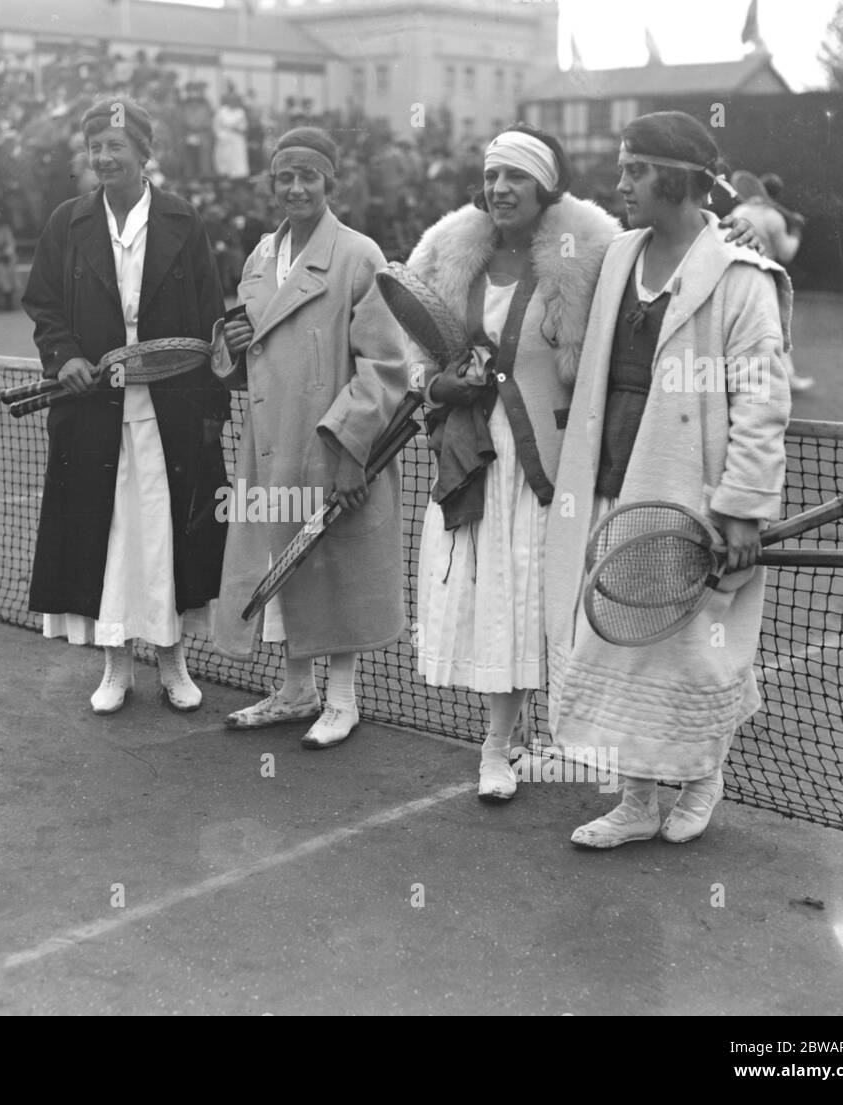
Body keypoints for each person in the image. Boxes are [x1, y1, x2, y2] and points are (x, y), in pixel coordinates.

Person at [544, 111, 792, 848]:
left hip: (691, 494)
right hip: (609, 483)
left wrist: (742, 510)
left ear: (678, 180)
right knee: (618, 639)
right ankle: (636, 800)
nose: (619, 184)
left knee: (690, 650)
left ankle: (702, 775)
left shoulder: (742, 279)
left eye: (634, 171)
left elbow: (763, 401)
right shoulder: (614, 253)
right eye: (621, 169)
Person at [404, 124, 622, 798]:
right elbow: (412, 348)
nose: (500, 188)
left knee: (531, 599)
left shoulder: (592, 252)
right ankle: (503, 742)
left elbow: (641, 303)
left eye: (516, 177)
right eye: (493, 175)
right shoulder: (442, 248)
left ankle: (509, 745)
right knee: (486, 599)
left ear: (545, 186)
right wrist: (438, 386)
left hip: (544, 467)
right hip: (470, 455)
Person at [22, 97, 228, 715]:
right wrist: (65, 358)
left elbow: (210, 320)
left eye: (116, 146)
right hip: (93, 414)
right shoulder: (67, 222)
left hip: (171, 412)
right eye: (95, 148)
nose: (104, 157)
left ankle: (172, 663)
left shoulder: (183, 221)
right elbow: (45, 305)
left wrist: (211, 410)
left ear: (144, 152)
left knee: (162, 534)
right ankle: (116, 666)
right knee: (109, 534)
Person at [213, 127, 408, 749]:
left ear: (332, 185)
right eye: (285, 178)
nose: (296, 188)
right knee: (282, 563)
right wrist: (232, 344)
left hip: (332, 445)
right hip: (269, 442)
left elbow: (384, 367)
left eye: (309, 177)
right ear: (271, 185)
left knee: (337, 567)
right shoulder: (257, 258)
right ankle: (297, 692)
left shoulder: (360, 254)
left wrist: (352, 451)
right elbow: (253, 349)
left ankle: (343, 701)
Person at [732, 169, 813, 392]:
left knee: (745, 327)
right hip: (764, 277)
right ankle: (787, 379)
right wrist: (795, 230)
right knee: (776, 329)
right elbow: (787, 253)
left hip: (738, 277)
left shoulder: (739, 210)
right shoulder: (774, 218)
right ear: (777, 195)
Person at [213, 90, 248, 179]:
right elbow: (216, 125)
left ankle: (237, 177)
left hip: (237, 138)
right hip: (224, 137)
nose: (233, 102)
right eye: (231, 100)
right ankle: (224, 174)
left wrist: (236, 128)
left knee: (237, 159)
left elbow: (243, 126)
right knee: (224, 157)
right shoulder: (222, 111)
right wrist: (220, 135)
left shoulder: (240, 112)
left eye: (235, 100)